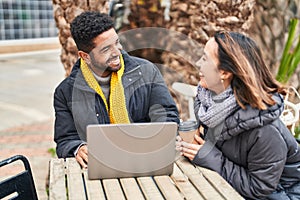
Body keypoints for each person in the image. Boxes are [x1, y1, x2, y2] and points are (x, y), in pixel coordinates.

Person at [176, 31, 300, 199]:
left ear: (224, 73)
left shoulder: (265, 130)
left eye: (205, 59)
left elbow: (259, 188)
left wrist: (208, 156)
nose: (198, 63)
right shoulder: (209, 104)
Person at [54, 11, 179, 168]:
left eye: (117, 42)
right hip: (98, 169)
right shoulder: (65, 92)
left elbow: (167, 115)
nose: (117, 52)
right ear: (85, 56)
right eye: (106, 49)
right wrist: (77, 148)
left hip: (147, 161)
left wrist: (156, 140)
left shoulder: (147, 71)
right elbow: (65, 140)